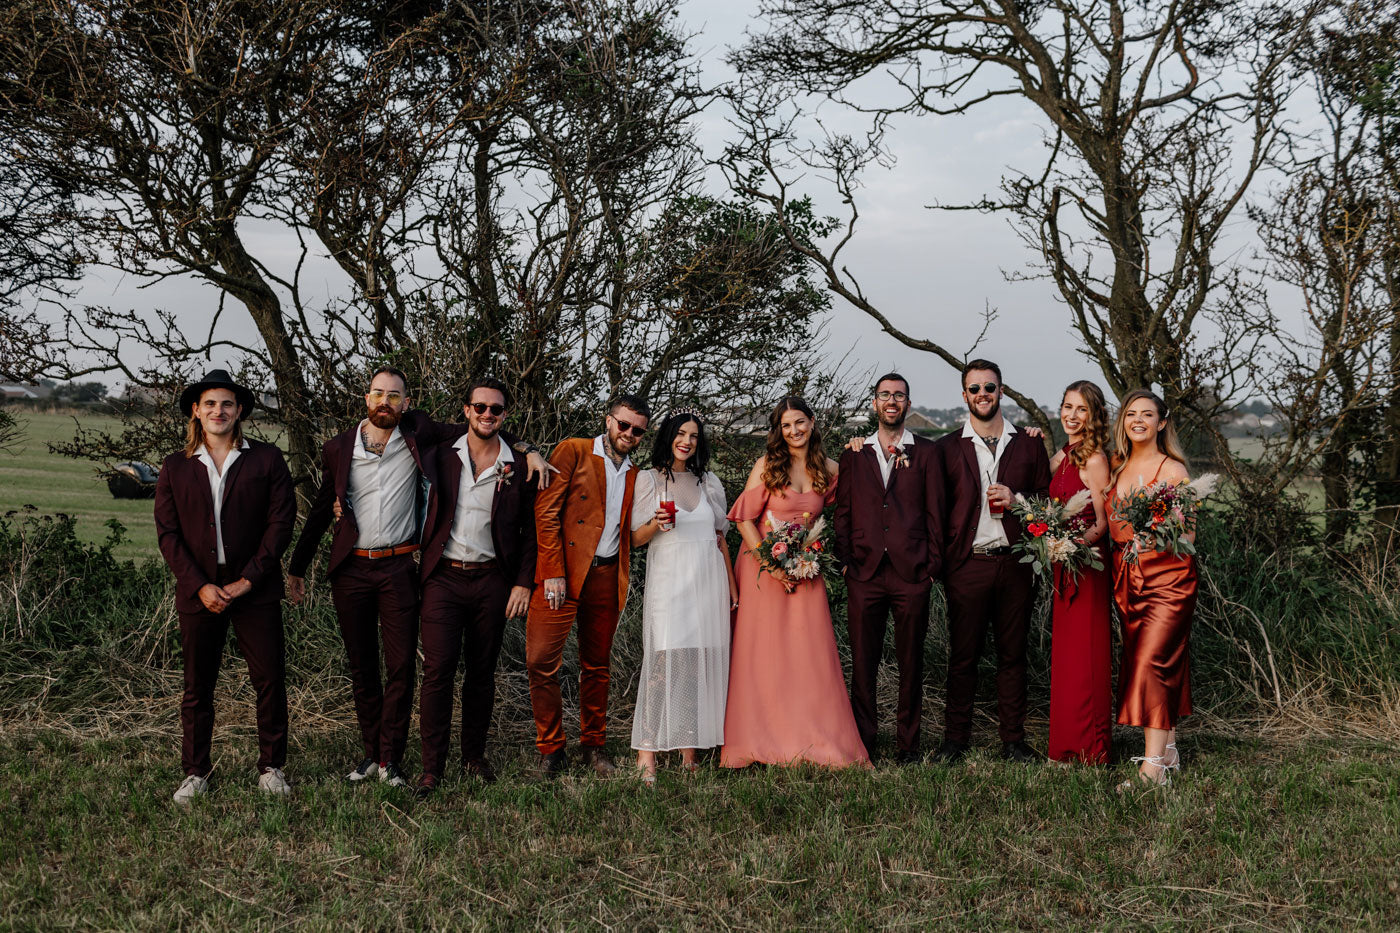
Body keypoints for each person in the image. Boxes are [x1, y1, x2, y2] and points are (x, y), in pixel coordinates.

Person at [286, 367, 548, 787]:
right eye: (378, 394)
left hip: (409, 568)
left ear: (407, 403)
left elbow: (486, 433)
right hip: (363, 568)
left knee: (408, 667)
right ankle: (382, 756)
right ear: (366, 398)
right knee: (371, 667)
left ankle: (412, 758)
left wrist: (529, 448)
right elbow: (322, 507)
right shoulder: (340, 448)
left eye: (395, 395)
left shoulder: (422, 436)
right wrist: (297, 567)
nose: (385, 402)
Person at [154, 369, 296, 804]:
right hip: (199, 593)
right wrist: (199, 585)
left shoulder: (267, 459)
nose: (219, 411)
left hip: (255, 590)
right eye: (210, 403)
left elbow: (280, 524)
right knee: (198, 685)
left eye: (228, 404)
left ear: (239, 412)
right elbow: (168, 534)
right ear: (196, 410)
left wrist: (247, 579)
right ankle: (196, 772)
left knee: (269, 679)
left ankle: (271, 768)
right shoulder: (176, 466)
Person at [721, 397, 870, 769]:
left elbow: (866, 479)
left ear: (812, 422)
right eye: (786, 426)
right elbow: (744, 521)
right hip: (762, 571)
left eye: (800, 423)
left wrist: (862, 447)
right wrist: (771, 566)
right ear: (779, 430)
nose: (794, 431)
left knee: (811, 656)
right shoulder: (767, 465)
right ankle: (758, 740)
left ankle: (815, 739)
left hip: (807, 570)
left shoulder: (828, 468)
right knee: (764, 657)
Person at [413, 378, 539, 797]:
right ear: (465, 410)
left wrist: (523, 582)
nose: (488, 415)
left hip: (492, 580)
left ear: (506, 416)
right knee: (437, 672)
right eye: (480, 407)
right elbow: (411, 421)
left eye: (497, 410)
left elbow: (530, 532)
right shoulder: (439, 455)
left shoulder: (520, 467)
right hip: (443, 578)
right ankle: (432, 767)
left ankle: (473, 757)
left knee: (482, 673)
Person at [931, 359, 1051, 764]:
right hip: (969, 564)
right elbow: (935, 511)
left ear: (1002, 391)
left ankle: (1013, 741)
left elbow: (1046, 500)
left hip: (1016, 562)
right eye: (975, 388)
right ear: (964, 395)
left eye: (990, 387)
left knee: (1013, 655)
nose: (983, 394)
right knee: (963, 656)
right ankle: (955, 741)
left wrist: (1017, 500)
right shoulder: (946, 447)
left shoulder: (1030, 443)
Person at [527, 394, 650, 777]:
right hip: (562, 573)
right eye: (623, 424)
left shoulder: (635, 474)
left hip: (606, 575)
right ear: (608, 420)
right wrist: (553, 571)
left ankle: (594, 747)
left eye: (638, 430)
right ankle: (551, 748)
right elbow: (545, 512)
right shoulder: (574, 451)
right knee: (540, 661)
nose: (629, 433)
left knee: (596, 666)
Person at [834, 373, 942, 764]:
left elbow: (936, 513)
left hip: (912, 573)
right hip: (863, 572)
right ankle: (864, 741)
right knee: (863, 663)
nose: (892, 401)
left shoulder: (927, 453)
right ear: (875, 403)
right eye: (885, 395)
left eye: (899, 395)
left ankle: (908, 746)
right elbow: (842, 512)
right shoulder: (854, 454)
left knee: (912, 661)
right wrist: (846, 561)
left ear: (908, 404)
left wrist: (931, 567)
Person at [628, 409, 737, 784]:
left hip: (706, 585)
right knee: (661, 664)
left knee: (693, 664)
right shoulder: (649, 481)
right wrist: (654, 525)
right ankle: (647, 751)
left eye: (693, 435)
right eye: (680, 434)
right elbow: (633, 539)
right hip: (669, 584)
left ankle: (688, 751)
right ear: (668, 437)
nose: (687, 441)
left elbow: (720, 538)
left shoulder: (709, 483)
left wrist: (733, 589)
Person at [1108, 389, 1197, 789]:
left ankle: (1152, 771)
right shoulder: (1117, 465)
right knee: (1152, 661)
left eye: (1147, 414)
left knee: (1151, 664)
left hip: (1168, 578)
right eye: (1131, 414)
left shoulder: (1172, 469)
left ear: (1162, 422)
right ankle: (1171, 752)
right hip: (1128, 579)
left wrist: (1151, 536)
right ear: (1123, 421)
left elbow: (1188, 531)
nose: (1138, 420)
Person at [1045, 381, 1113, 765]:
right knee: (1068, 659)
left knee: (1087, 656)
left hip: (1087, 566)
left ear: (1094, 415)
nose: (1072, 415)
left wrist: (1072, 546)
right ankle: (1065, 745)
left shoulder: (1095, 459)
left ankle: (1091, 748)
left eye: (1081, 409)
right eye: (1067, 406)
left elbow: (1103, 523)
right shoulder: (1062, 456)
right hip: (1063, 565)